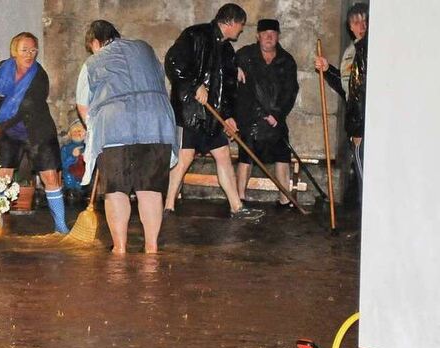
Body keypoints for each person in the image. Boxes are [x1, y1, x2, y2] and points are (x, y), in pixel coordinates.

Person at [76, 20, 178, 254]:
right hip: (156, 123)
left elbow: (84, 108)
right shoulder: (145, 49)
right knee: (150, 190)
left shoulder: (92, 62)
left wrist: (93, 135)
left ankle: (120, 249)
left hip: (115, 127)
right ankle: (151, 248)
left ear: (95, 42)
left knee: (116, 190)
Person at [164, 3, 264, 220]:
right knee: (184, 157)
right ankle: (168, 205)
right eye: (241, 25)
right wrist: (194, 85)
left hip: (213, 116)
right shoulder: (195, 35)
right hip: (191, 112)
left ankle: (236, 206)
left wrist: (228, 115)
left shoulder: (227, 50)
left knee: (223, 155)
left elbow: (226, 89)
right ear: (230, 22)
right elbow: (174, 62)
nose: (241, 30)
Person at [0, 32, 69, 234]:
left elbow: (26, 109)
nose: (29, 55)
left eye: (33, 50)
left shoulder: (39, 76)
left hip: (38, 132)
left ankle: (61, 227)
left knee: (50, 177)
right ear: (14, 51)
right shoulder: (2, 69)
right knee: (2, 176)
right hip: (10, 134)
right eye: (25, 50)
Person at [235, 19, 299, 208]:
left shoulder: (286, 61)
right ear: (258, 36)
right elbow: (225, 64)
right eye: (265, 33)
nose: (269, 37)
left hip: (274, 119)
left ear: (278, 36)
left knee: (282, 156)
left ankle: (284, 199)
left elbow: (290, 91)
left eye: (273, 33)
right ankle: (240, 199)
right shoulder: (244, 55)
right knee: (245, 156)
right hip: (249, 118)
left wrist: (277, 115)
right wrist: (234, 68)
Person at [314, 3, 368, 197]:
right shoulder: (350, 52)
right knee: (363, 174)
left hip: (366, 123)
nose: (361, 25)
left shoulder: (371, 49)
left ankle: (369, 223)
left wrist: (359, 128)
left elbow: (364, 92)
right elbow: (348, 88)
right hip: (357, 123)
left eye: (365, 20)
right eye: (356, 21)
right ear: (350, 26)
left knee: (368, 176)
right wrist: (328, 70)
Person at [60, 120, 87, 200]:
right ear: (69, 134)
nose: (77, 133)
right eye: (74, 131)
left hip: (84, 179)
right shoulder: (65, 148)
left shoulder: (87, 148)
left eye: (79, 131)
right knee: (71, 192)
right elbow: (63, 165)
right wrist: (73, 156)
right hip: (70, 177)